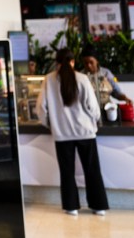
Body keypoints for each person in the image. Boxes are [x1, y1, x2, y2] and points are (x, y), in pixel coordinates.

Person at [35, 48, 109, 216]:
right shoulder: (82, 79)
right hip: (85, 132)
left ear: (57, 63)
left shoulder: (49, 80)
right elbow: (92, 106)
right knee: (92, 170)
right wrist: (96, 121)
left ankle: (71, 206)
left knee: (67, 171)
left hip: (62, 134)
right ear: (73, 62)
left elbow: (40, 108)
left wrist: (51, 124)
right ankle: (98, 206)